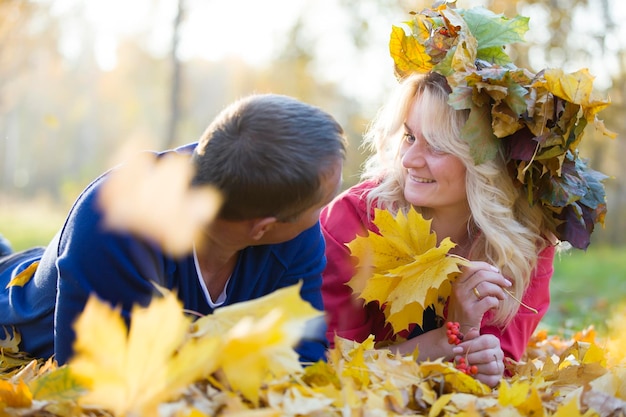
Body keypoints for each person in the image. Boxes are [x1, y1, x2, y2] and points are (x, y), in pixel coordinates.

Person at [0, 93, 347, 365]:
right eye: (320, 205)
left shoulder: (293, 229)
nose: (324, 213)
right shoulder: (114, 220)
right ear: (262, 227)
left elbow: (304, 352)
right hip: (18, 313)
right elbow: (92, 376)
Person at [320, 71, 557, 388]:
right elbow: (333, 368)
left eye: (436, 146)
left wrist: (476, 351)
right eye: (409, 137)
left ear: (487, 161)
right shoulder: (352, 223)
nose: (409, 160)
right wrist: (442, 342)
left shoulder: (525, 242)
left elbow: (497, 367)